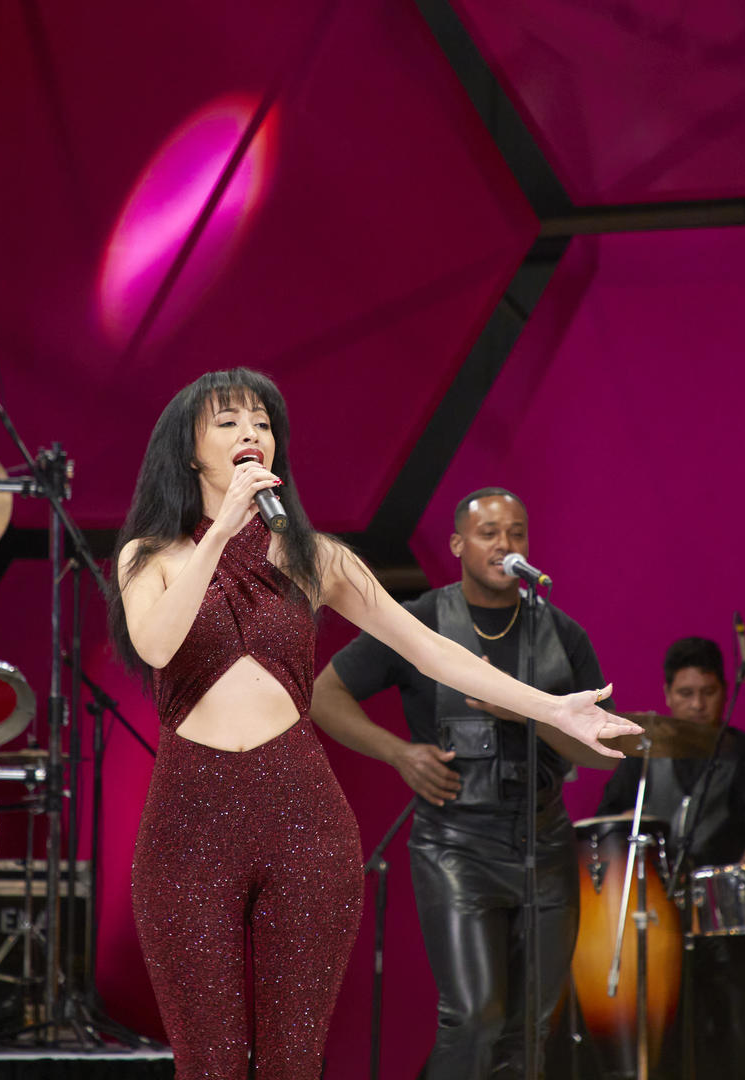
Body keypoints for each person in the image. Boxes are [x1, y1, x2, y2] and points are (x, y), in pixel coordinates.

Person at [108, 371, 640, 1080]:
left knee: (294, 1061)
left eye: (262, 423)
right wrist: (220, 534)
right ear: (188, 451)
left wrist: (551, 706)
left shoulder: (315, 555)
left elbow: (432, 650)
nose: (251, 434)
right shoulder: (150, 556)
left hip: (301, 817)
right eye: (229, 422)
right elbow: (155, 645)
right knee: (210, 1062)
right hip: (190, 822)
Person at [308, 486, 615, 1079]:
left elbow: (605, 756)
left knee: (531, 1029)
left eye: (517, 533)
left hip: (545, 841)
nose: (506, 544)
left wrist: (527, 712)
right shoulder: (420, 620)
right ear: (457, 545)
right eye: (489, 533)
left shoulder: (562, 633)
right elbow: (324, 695)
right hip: (457, 844)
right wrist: (398, 753)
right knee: (475, 1019)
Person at [596, 636, 745, 868]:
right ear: (668, 694)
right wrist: (622, 824)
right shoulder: (643, 753)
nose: (698, 705)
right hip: (654, 881)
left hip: (722, 881)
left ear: (725, 692)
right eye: (686, 693)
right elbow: (603, 823)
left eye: (709, 692)